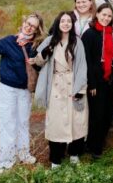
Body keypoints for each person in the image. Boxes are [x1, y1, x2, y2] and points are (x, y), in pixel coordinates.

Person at [0, 12, 44, 173]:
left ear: (37, 30)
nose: (29, 27)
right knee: (7, 123)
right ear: (23, 23)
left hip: (25, 90)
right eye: (28, 23)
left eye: (33, 26)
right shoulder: (9, 41)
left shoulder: (35, 46)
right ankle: (5, 162)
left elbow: (40, 66)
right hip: (7, 89)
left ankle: (23, 154)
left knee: (23, 123)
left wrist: (35, 62)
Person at [33, 11, 88, 168]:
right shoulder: (50, 41)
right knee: (56, 124)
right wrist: (44, 53)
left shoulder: (77, 42)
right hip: (56, 86)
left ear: (72, 24)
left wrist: (80, 89)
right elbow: (38, 62)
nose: (65, 24)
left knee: (77, 122)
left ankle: (74, 154)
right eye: (63, 21)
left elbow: (82, 67)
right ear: (58, 23)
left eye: (68, 21)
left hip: (73, 84)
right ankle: (56, 159)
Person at [83, 3, 113, 158]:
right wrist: (91, 83)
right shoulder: (89, 34)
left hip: (109, 79)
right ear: (97, 14)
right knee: (96, 115)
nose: (106, 18)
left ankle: (100, 140)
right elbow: (87, 61)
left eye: (109, 16)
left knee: (107, 113)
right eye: (104, 14)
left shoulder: (110, 33)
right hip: (95, 82)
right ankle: (94, 146)